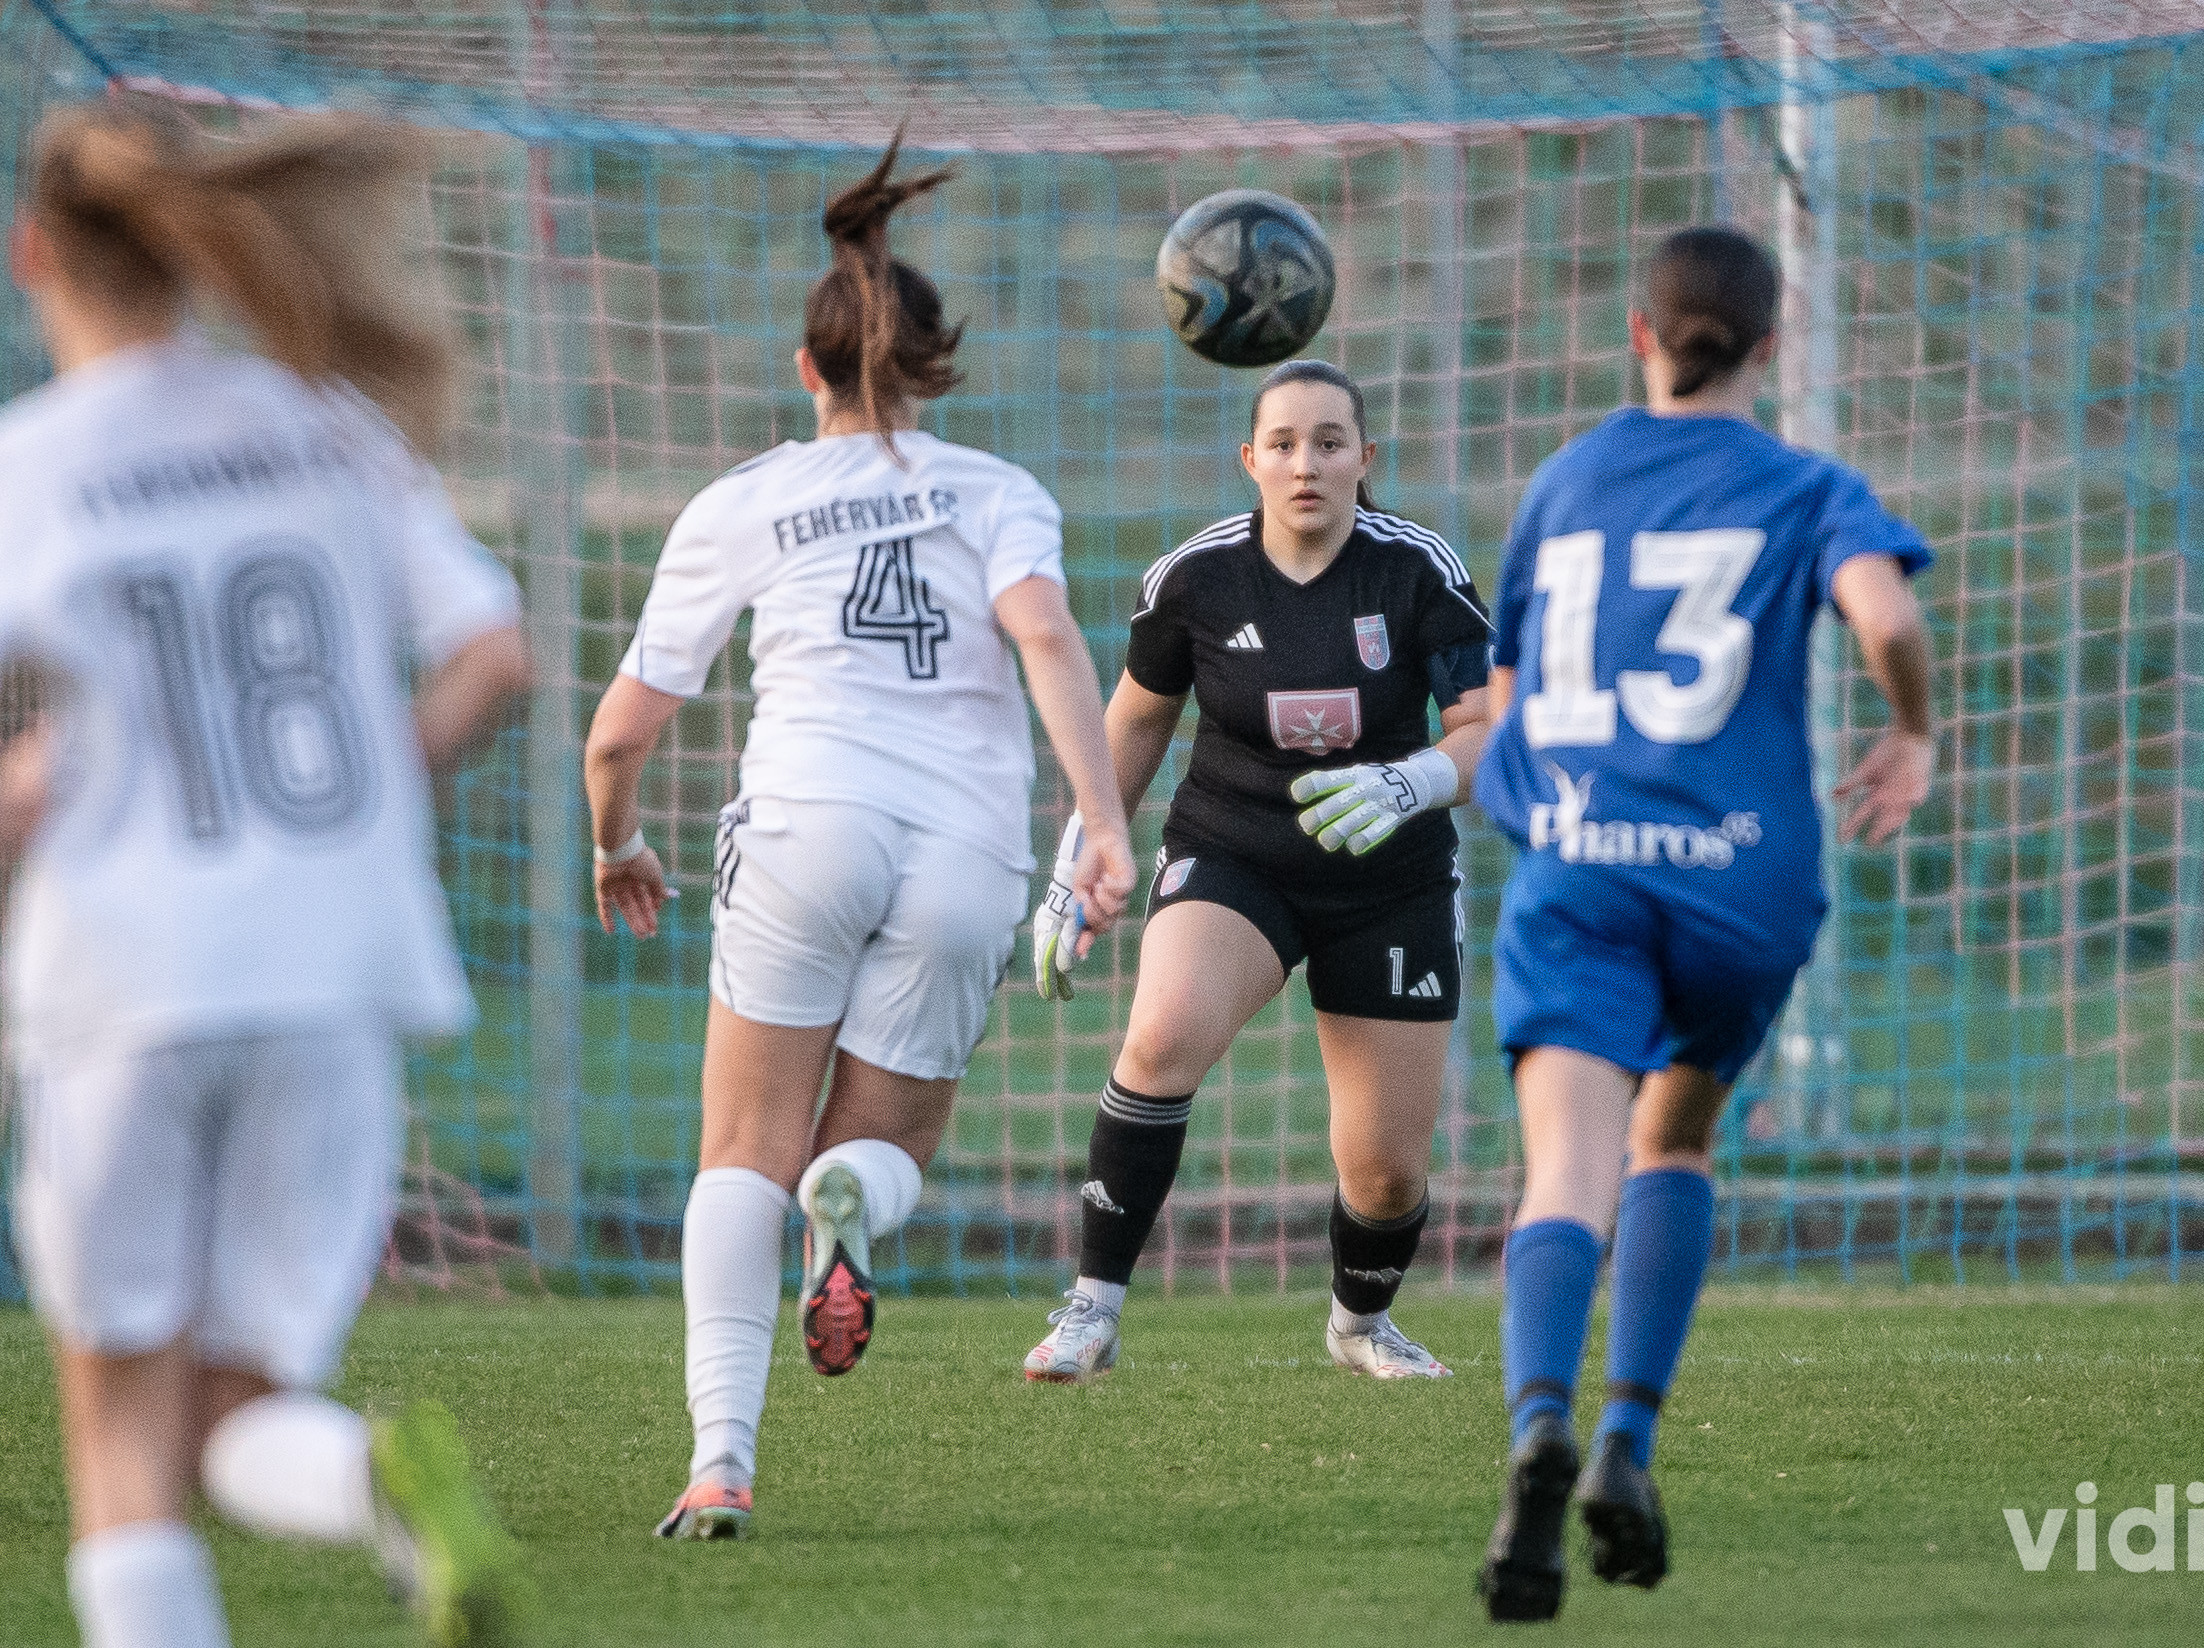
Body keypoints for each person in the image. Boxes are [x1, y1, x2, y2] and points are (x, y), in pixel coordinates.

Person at [0, 103, 537, 1648]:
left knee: (121, 1439)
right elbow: (494, 657)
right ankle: (370, 1477)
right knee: (237, 1407)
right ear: (188, 247)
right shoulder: (327, 426)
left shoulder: (33, 470)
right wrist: (367, 801)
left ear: (34, 255)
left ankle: (363, 1486)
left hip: (124, 973)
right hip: (333, 964)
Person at [583, 136, 1135, 1540]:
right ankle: (852, 1199)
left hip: (803, 829)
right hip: (965, 853)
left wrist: (616, 841)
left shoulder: (743, 501)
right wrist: (1100, 820)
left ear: (806, 367)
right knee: (886, 1145)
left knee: (738, 1152)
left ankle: (721, 1458)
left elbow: (618, 734)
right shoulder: (996, 492)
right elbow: (1047, 637)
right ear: (938, 369)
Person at [1472, 225, 1937, 1621]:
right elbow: (1884, 615)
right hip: (1742, 886)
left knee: (1568, 1169)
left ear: (1640, 333)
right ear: (1770, 345)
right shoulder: (1806, 485)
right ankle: (1628, 1439)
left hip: (1586, 871)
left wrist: (1545, 808)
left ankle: (1539, 1427)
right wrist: (1914, 728)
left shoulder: (1566, 481)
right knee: (1673, 1139)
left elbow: (1507, 695)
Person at [1022, 358, 1493, 1383]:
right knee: (1160, 1036)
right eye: (1282, 443)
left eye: (1330, 441)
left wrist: (1409, 782)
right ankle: (1091, 1311)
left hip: (1391, 879)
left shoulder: (1419, 569)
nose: (1305, 463)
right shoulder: (1195, 577)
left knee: (1386, 1171)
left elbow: (1486, 731)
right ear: (1250, 460)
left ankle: (1361, 1325)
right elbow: (1134, 722)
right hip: (1235, 853)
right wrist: (1078, 859)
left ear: (1365, 457)